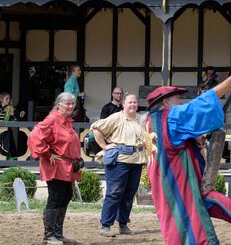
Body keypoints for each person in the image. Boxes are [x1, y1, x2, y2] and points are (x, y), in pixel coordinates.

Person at [146, 65, 231, 245]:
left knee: (181, 224)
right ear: (165, 103)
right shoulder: (171, 118)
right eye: (177, 99)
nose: (181, 102)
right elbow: (203, 103)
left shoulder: (151, 122)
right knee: (193, 233)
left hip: (167, 187)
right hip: (181, 187)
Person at [28, 92, 82, 245]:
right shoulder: (52, 119)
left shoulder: (67, 122)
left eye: (73, 103)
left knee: (65, 196)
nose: (71, 106)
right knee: (56, 197)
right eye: (68, 103)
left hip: (68, 167)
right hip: (56, 166)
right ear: (59, 104)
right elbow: (35, 136)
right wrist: (46, 152)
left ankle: (58, 234)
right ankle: (49, 236)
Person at [91, 93, 147, 237]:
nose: (133, 105)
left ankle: (123, 224)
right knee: (114, 193)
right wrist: (105, 146)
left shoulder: (141, 119)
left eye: (135, 102)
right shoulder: (116, 117)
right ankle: (106, 225)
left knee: (129, 194)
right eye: (130, 102)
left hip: (137, 161)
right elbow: (96, 128)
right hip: (119, 161)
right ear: (123, 104)